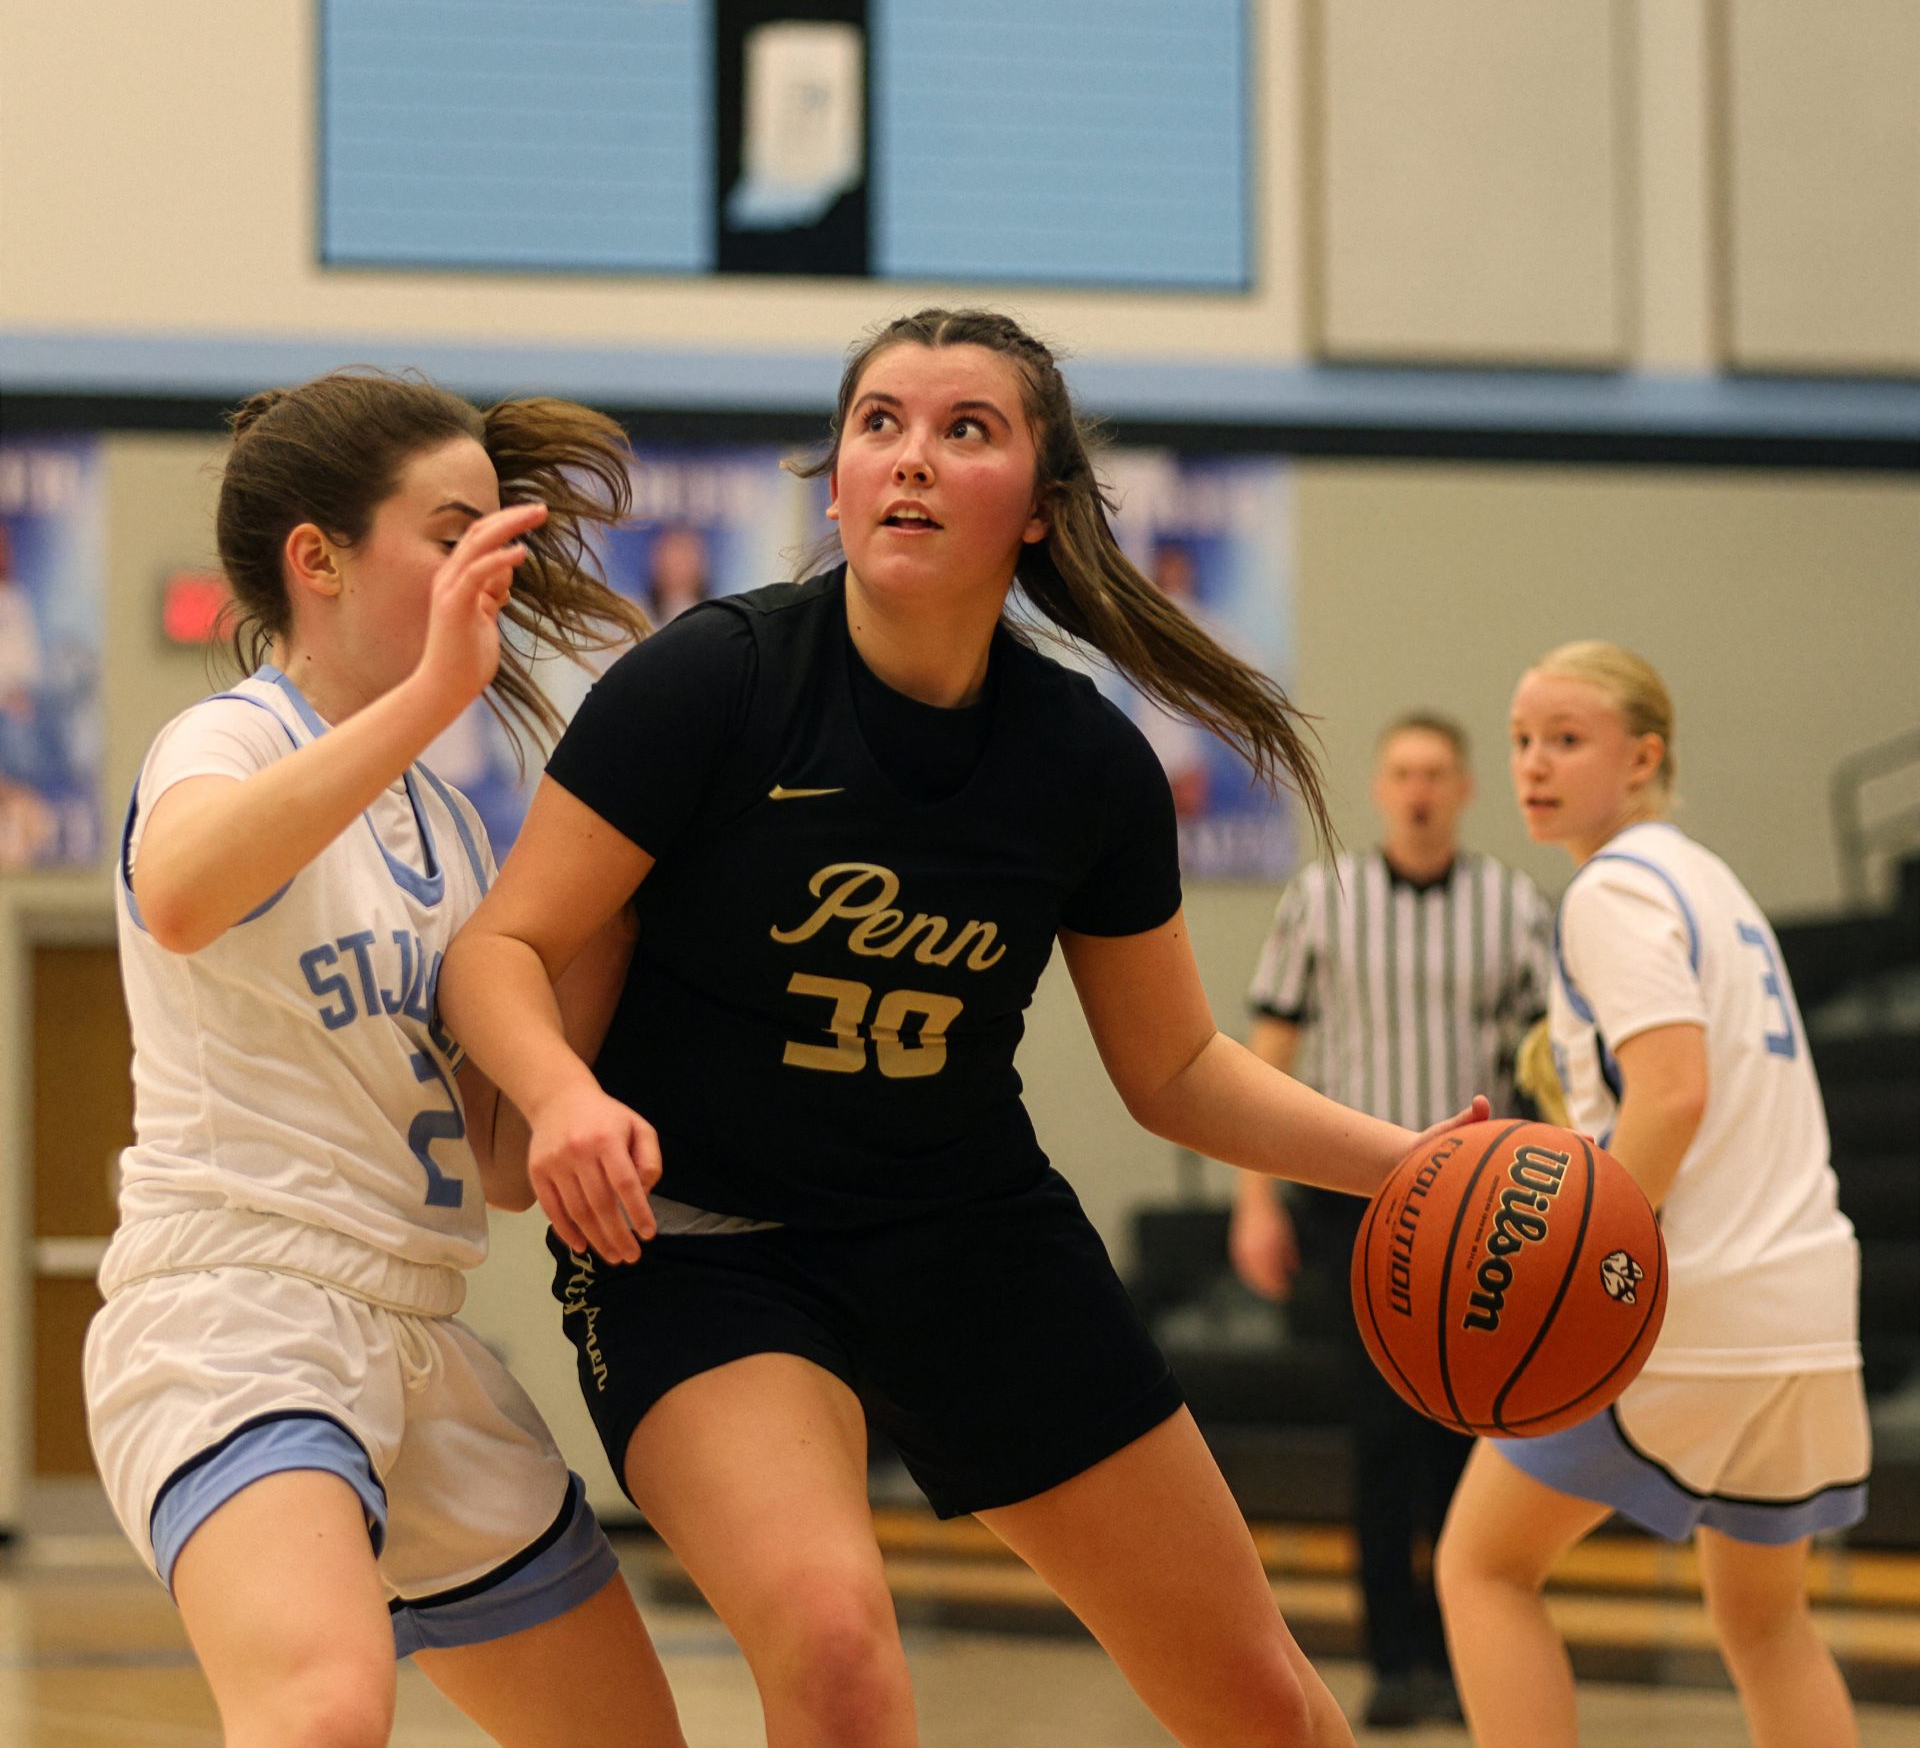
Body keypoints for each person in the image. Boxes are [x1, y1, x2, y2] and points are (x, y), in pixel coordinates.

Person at [440, 307, 1490, 1748]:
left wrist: (1415, 1166)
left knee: (1265, 1704)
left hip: (967, 1231)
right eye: (879, 422)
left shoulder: (1086, 763)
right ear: (835, 485)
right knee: (837, 1644)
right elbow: (502, 945)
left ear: (1043, 514)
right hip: (703, 1248)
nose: (911, 457)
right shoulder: (717, 681)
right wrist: (560, 1093)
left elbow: (1175, 1067)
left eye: (964, 428)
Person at [84, 373, 689, 1748]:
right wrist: (431, 696)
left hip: (419, 1333)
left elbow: (498, 1164)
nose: (493, 561)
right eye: (450, 526)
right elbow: (178, 890)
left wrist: (619, 898)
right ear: (319, 558)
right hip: (238, 1313)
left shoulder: (451, 828)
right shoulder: (231, 734)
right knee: (323, 1714)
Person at [1435, 641, 1871, 1748]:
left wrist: (1576, 1265)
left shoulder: (1612, 888)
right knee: (1766, 1623)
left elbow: (1672, 1092)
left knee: (1482, 1565)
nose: (1534, 763)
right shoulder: (1711, 881)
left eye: (1566, 739)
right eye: (1523, 738)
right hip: (1810, 1311)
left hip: (1693, 1300)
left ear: (1644, 757)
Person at [1229, 713, 1551, 1729]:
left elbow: (1548, 1064)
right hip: (1353, 1200)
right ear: (1381, 787)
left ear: (1462, 790)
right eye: (1403, 770)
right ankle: (1393, 1658)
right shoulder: (1323, 897)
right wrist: (1252, 1197)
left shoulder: (1512, 904)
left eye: (1437, 773)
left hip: (1479, 1203)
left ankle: (1467, 1649)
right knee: (1379, 1433)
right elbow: (1263, 1052)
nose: (1418, 788)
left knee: (1468, 1426)